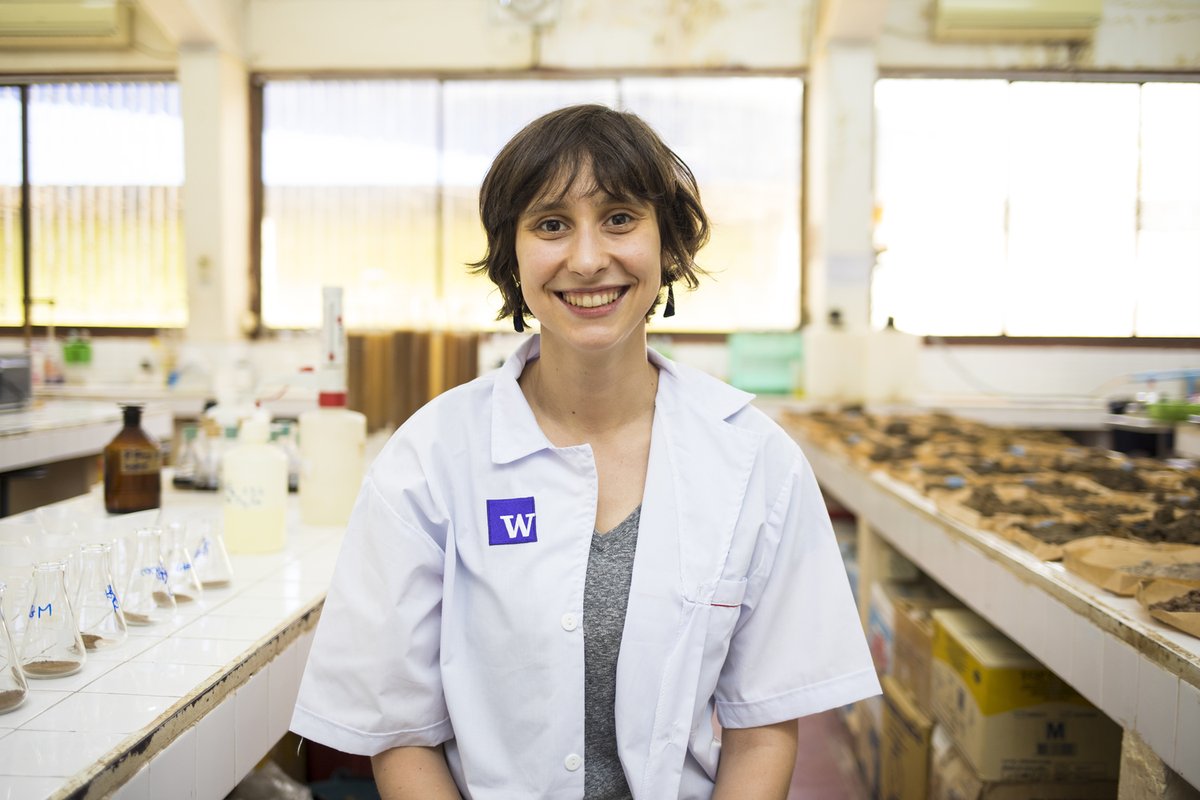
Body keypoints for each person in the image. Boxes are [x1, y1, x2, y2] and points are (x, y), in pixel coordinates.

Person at [290, 104, 879, 799]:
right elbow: (401, 732)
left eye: (621, 218)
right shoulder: (430, 462)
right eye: (551, 224)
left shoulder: (755, 462)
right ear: (512, 254)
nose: (589, 257)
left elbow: (763, 727)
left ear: (668, 245)